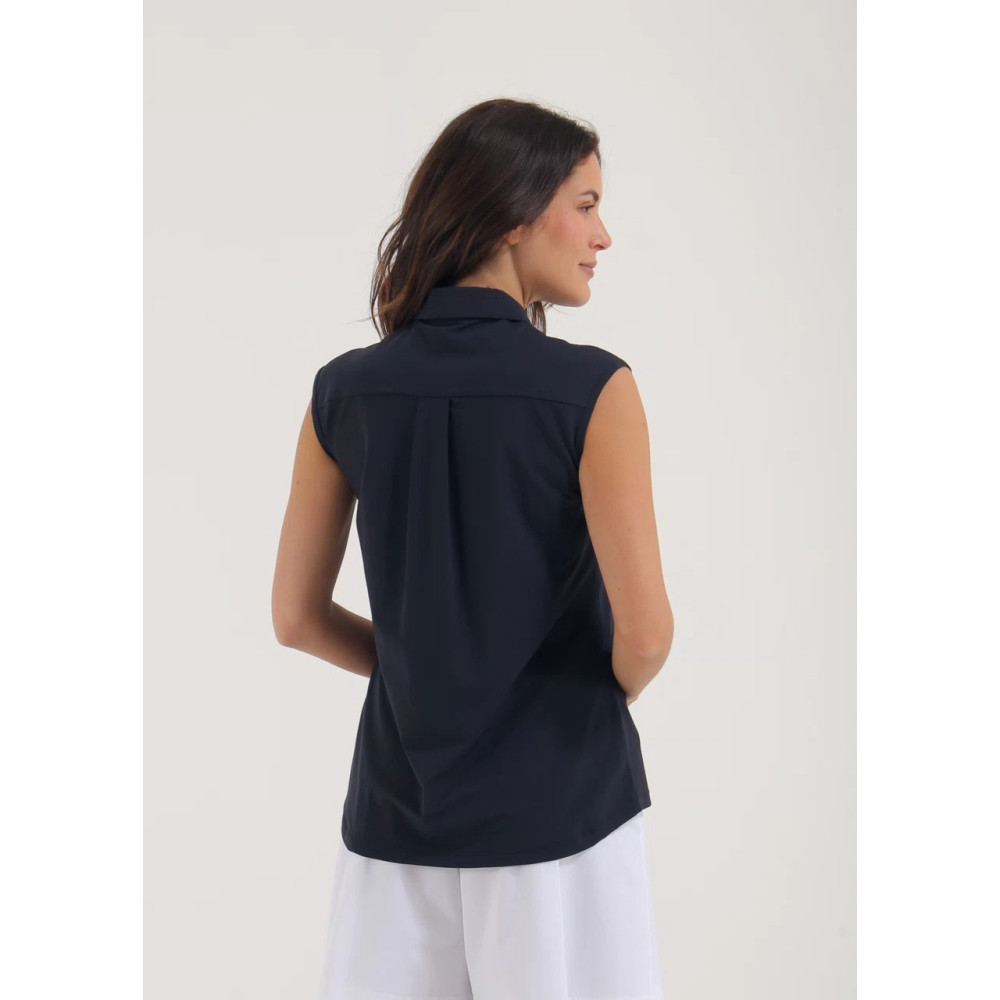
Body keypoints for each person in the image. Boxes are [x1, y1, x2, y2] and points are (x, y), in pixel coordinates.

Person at [272, 97, 674, 1000]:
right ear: (511, 214)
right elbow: (647, 634)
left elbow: (295, 618)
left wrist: (427, 670)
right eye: (585, 204)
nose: (602, 235)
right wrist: (570, 700)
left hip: (395, 821)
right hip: (563, 813)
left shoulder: (344, 392)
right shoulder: (593, 389)